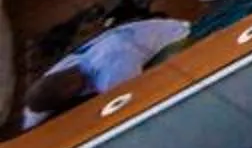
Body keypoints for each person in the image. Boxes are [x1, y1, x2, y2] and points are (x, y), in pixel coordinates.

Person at [18, 18, 188, 129]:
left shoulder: (112, 75)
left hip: (177, 38)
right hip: (146, 34)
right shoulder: (66, 66)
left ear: (69, 91)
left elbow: (135, 105)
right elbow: (34, 106)